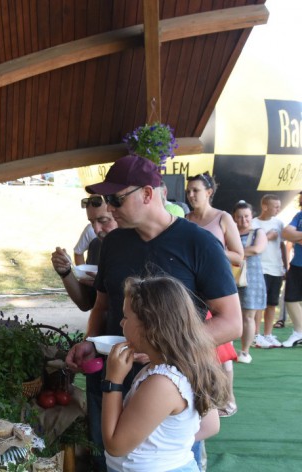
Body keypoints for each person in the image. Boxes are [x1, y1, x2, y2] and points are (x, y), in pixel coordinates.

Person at [65, 155, 241, 471]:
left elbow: (232, 322)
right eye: (106, 200)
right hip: (115, 374)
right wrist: (90, 342)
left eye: (116, 199)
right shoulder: (113, 243)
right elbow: (102, 306)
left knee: (166, 458)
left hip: (171, 384)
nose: (109, 207)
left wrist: (164, 345)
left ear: (147, 194)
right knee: (113, 458)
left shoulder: (200, 243)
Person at [102, 276, 230, 472]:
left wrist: (113, 381)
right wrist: (168, 447)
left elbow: (115, 446)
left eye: (126, 317)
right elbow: (211, 425)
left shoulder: (163, 383)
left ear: (150, 326)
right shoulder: (185, 365)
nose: (120, 323)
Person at [185, 171, 243, 416]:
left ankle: (228, 399)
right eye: (188, 191)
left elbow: (239, 256)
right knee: (196, 347)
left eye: (195, 190)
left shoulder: (223, 218)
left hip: (217, 291)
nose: (190, 195)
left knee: (222, 349)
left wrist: (213, 249)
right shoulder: (185, 220)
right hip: (190, 292)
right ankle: (200, 398)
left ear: (208, 192)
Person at [51, 195, 118, 311]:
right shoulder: (96, 246)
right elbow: (86, 303)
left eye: (103, 221)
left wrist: (107, 284)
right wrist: (66, 273)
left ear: (120, 215)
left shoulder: (139, 248)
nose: (96, 229)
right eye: (92, 222)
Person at [232, 201, 267, 363]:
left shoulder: (258, 232)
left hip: (251, 279)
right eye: (239, 217)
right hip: (230, 277)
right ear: (234, 217)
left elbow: (257, 249)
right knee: (230, 314)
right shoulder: (230, 232)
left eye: (246, 216)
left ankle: (244, 352)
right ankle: (228, 349)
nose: (243, 220)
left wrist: (232, 253)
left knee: (248, 316)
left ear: (251, 216)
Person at [251, 194, 287, 347]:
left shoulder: (279, 223)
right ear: (265, 206)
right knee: (259, 304)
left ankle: (268, 334)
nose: (278, 209)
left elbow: (282, 245)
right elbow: (254, 245)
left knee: (272, 303)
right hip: (260, 268)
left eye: (279, 206)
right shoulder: (253, 223)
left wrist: (286, 265)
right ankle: (256, 334)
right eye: (276, 206)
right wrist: (268, 236)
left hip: (276, 268)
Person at [280, 192, 302, 347]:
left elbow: (292, 235)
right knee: (290, 299)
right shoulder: (299, 215)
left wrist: (296, 236)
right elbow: (286, 233)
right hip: (297, 265)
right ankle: (299, 332)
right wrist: (294, 236)